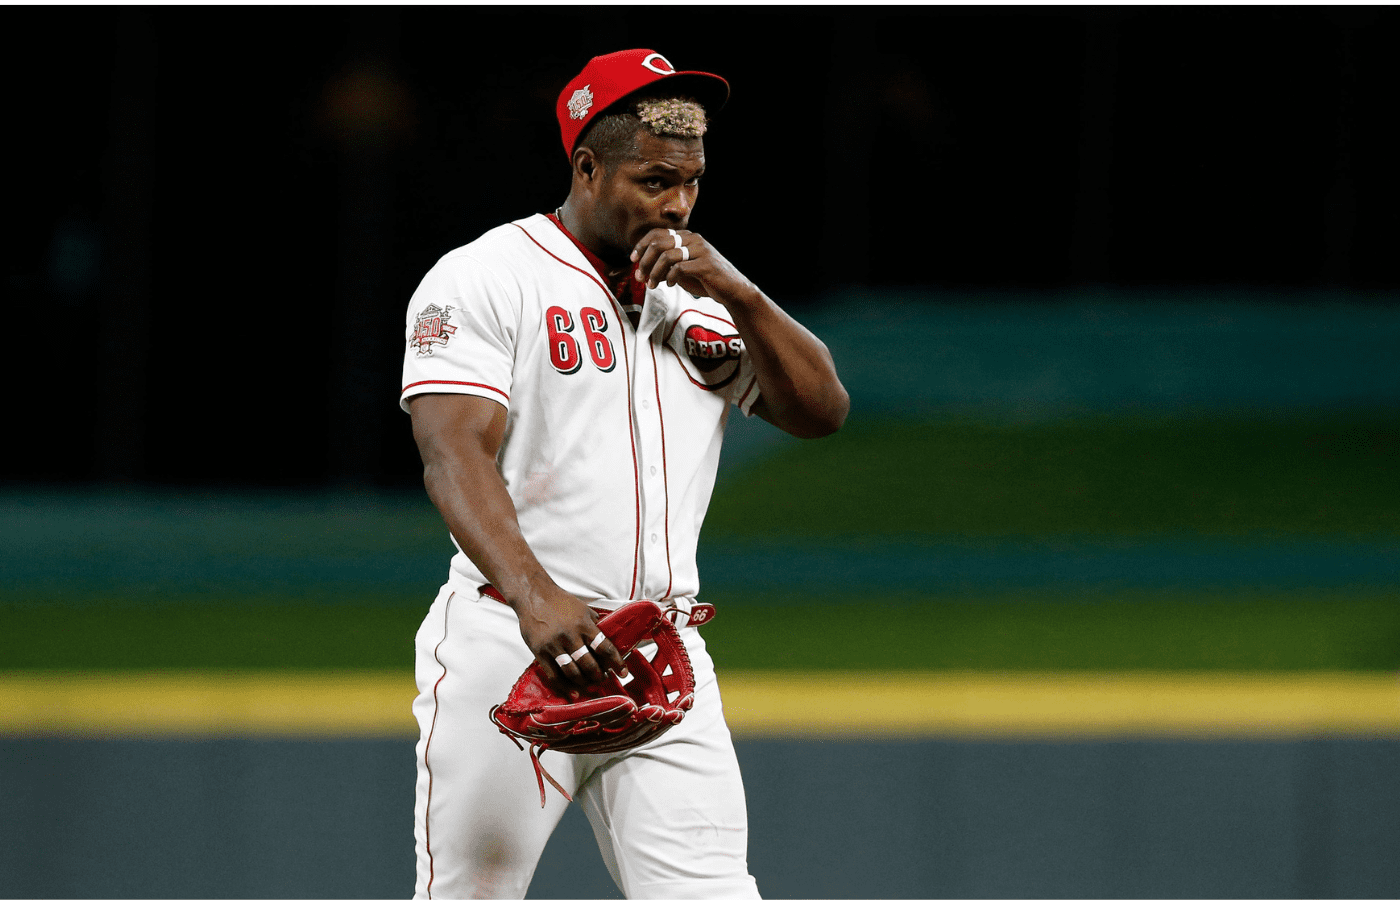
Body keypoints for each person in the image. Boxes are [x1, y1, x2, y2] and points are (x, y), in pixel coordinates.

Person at [400, 48, 849, 899]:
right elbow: (452, 454)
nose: (676, 203)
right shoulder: (487, 277)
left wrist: (741, 292)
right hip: (517, 638)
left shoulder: (700, 294)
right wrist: (535, 596)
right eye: (652, 180)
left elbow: (821, 410)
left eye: (690, 182)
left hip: (663, 646)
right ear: (587, 167)